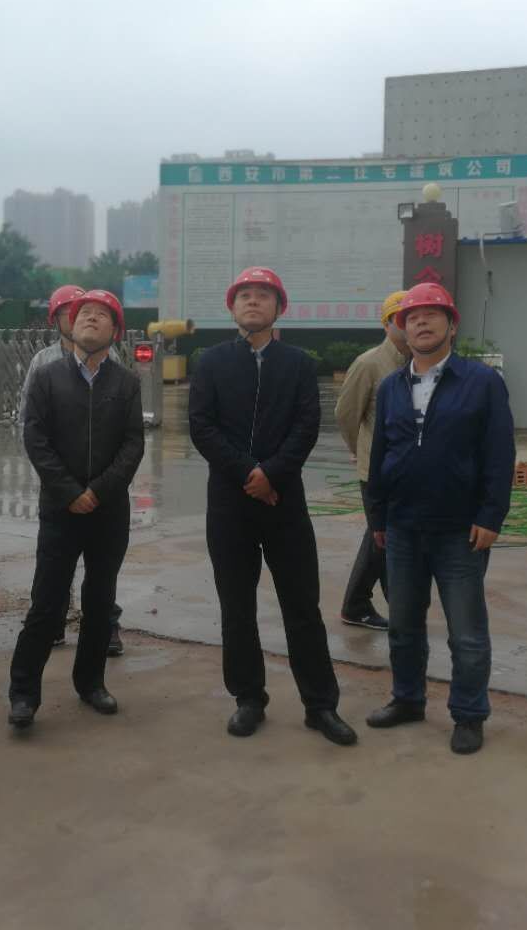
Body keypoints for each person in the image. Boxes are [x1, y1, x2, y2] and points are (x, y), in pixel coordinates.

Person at [188, 266, 357, 747]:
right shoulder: (211, 362)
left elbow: (307, 426)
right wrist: (249, 475)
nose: (253, 301)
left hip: (285, 503)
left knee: (302, 605)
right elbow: (201, 427)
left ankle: (320, 705)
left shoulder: (298, 364)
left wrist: (273, 475)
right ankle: (248, 698)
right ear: (231, 307)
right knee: (236, 606)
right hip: (229, 504)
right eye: (244, 294)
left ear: (279, 307)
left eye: (263, 294)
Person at [364, 281, 515, 756]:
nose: (421, 323)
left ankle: (469, 714)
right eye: (412, 317)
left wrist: (491, 514)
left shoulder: (481, 383)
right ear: (402, 330)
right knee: (403, 626)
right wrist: (378, 517)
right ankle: (407, 699)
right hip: (403, 527)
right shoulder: (391, 387)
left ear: (451, 325)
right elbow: (380, 454)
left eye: (432, 314)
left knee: (466, 633)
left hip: (460, 530)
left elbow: (499, 453)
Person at [8, 289, 144, 730]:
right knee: (46, 603)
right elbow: (35, 437)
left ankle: (91, 683)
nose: (90, 318)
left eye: (102, 314)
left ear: (115, 330)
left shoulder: (126, 383)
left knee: (99, 601)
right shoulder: (47, 377)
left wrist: (99, 491)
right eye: (84, 312)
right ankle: (24, 693)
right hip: (60, 509)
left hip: (109, 511)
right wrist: (69, 491)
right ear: (70, 322)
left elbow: (133, 445)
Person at [20, 284, 125, 655]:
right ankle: (52, 621)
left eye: (83, 311)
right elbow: (30, 422)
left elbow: (125, 431)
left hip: (102, 486)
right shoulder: (43, 363)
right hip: (58, 482)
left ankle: (106, 624)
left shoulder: (112, 362)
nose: (78, 318)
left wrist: (104, 483)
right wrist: (58, 480)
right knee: (54, 564)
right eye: (68, 313)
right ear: (57, 320)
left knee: (102, 569)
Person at [332, 289, 410, 630]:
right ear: (386, 324)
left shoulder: (418, 363)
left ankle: (364, 605)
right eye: (400, 319)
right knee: (384, 538)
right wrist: (359, 449)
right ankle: (365, 604)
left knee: (383, 536)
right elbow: (346, 414)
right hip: (375, 471)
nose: (408, 325)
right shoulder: (369, 364)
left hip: (408, 470)